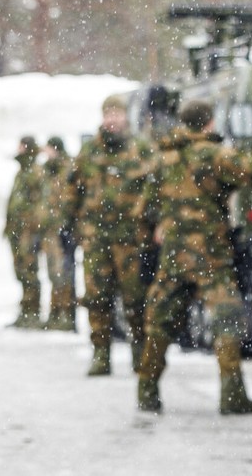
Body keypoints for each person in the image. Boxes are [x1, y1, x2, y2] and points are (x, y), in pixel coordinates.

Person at [136, 99, 252, 415]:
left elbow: (144, 209)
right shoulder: (215, 156)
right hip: (211, 257)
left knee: (160, 323)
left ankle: (146, 390)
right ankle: (232, 394)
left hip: (174, 256)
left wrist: (159, 231)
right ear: (209, 124)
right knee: (226, 321)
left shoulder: (163, 159)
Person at [67, 94, 156, 376]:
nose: (112, 119)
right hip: (95, 239)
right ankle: (101, 354)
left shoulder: (141, 149)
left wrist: (152, 225)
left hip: (130, 238)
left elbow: (156, 188)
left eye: (117, 113)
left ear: (125, 117)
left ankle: (140, 354)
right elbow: (72, 191)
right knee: (97, 298)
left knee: (135, 300)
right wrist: (70, 227)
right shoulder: (89, 151)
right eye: (108, 114)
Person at [4, 135, 44, 329]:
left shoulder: (35, 172)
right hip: (17, 231)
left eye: (21, 146)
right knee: (21, 271)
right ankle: (26, 310)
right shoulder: (22, 172)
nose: (17, 149)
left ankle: (32, 313)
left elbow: (40, 204)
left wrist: (32, 227)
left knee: (29, 271)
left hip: (28, 232)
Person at [37, 136, 76, 331]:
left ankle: (66, 316)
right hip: (50, 230)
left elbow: (68, 198)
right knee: (54, 272)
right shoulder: (49, 171)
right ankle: (55, 314)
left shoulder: (67, 169)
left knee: (64, 272)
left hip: (62, 229)